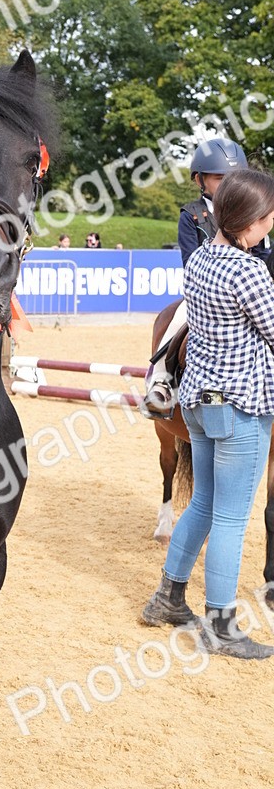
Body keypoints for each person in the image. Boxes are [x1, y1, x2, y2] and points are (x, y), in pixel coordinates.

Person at [140, 167, 274, 659]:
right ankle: (220, 625)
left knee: (201, 504)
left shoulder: (198, 261)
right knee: (232, 519)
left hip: (196, 401)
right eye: (269, 217)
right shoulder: (250, 271)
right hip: (240, 406)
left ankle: (168, 598)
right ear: (251, 220)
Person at [143, 137, 249, 416]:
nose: (228, 185)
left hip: (250, 292)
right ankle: (162, 382)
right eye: (219, 178)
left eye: (234, 178)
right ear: (199, 179)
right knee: (178, 317)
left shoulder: (252, 212)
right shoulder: (191, 216)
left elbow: (263, 255)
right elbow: (190, 262)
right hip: (204, 294)